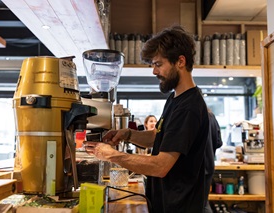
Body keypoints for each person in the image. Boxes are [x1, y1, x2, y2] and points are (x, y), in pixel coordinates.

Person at [85, 25, 209, 213]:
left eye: (158, 64)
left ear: (180, 62)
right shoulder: (176, 98)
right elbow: (159, 137)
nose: (154, 71)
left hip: (179, 207)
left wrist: (111, 155)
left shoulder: (189, 106)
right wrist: (127, 134)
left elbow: (161, 166)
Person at [204, 108, 223, 213]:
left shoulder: (192, 116)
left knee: (199, 204)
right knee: (203, 202)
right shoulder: (211, 116)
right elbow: (219, 142)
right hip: (209, 165)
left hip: (196, 168)